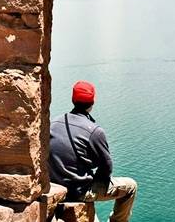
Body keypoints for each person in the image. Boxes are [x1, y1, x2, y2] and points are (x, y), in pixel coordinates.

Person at [49, 81, 137, 222]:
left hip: (57, 185)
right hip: (79, 191)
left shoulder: (54, 123)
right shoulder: (94, 131)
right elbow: (107, 166)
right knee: (131, 187)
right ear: (92, 102)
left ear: (73, 99)